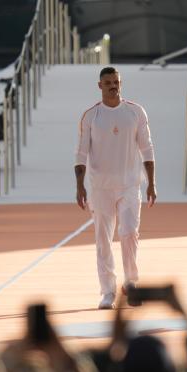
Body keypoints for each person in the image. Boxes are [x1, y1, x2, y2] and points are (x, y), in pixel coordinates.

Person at [74, 67, 156, 309]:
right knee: (103, 240)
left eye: (116, 82)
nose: (113, 86)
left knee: (129, 233)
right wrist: (80, 186)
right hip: (100, 188)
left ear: (121, 83)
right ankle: (107, 291)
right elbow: (80, 153)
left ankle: (131, 283)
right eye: (108, 82)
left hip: (130, 185)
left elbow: (147, 149)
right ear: (99, 85)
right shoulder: (91, 116)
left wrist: (152, 182)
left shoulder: (135, 112)